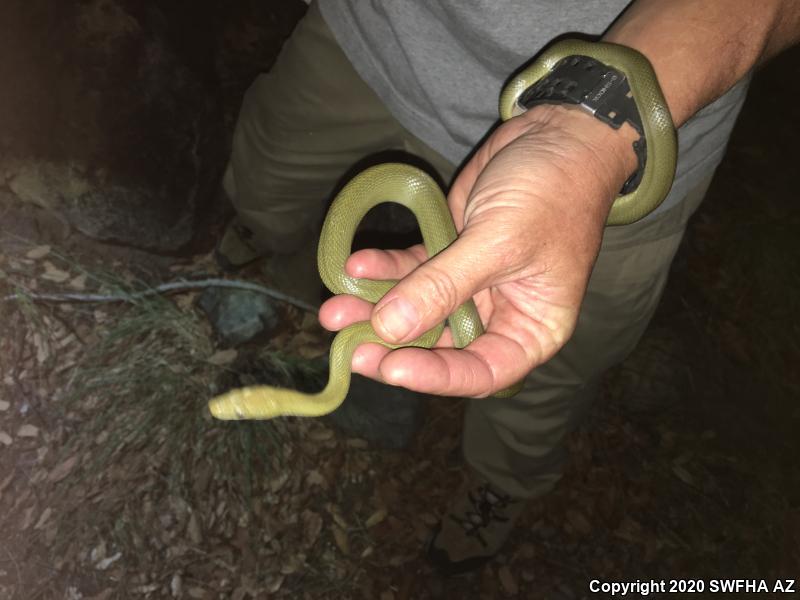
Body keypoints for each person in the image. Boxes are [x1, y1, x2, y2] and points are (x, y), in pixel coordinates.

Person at [217, 0, 800, 574]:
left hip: (626, 153)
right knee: (266, 181)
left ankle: (502, 485)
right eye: (244, 409)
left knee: (538, 363)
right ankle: (258, 241)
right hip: (374, 36)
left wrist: (585, 142)